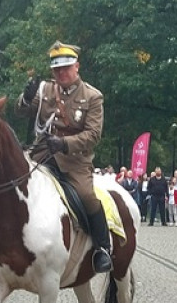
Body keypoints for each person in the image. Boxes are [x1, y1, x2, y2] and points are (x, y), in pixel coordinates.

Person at [15, 40, 113, 273]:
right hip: (42, 153)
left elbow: (92, 135)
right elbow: (21, 112)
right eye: (57, 69)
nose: (61, 73)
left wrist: (64, 143)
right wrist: (26, 98)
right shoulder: (46, 90)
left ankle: (102, 248)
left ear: (76, 66)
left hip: (74, 160)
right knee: (12, 183)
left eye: (66, 68)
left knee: (87, 196)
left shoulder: (92, 96)